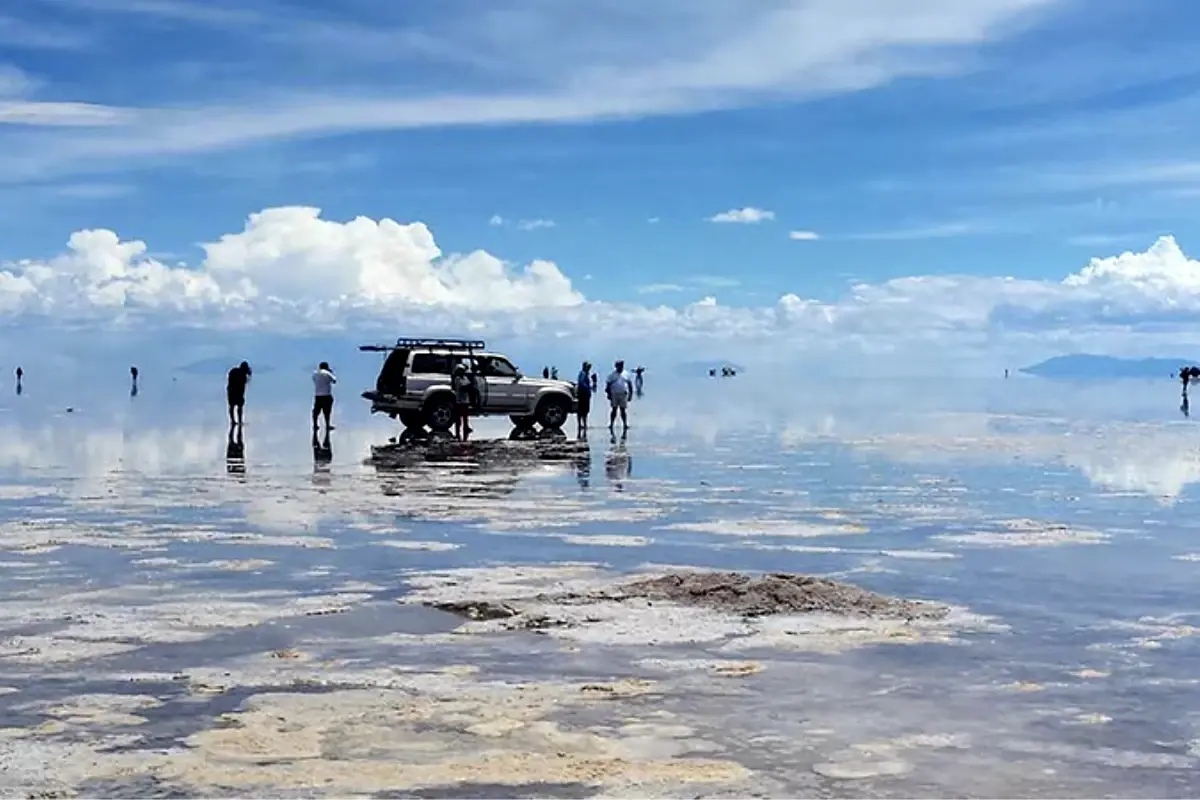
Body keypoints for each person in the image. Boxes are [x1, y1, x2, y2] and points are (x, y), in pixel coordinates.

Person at [605, 359, 631, 433]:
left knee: (623, 410)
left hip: (623, 394)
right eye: (619, 366)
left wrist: (630, 395)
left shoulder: (626, 374)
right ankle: (611, 424)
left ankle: (625, 424)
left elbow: (629, 385)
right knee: (614, 410)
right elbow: (608, 385)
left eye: (621, 365)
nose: (620, 367)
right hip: (614, 394)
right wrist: (609, 394)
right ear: (616, 366)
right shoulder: (612, 375)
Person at [312, 361, 337, 432]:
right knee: (327, 412)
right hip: (327, 395)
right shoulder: (328, 373)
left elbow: (314, 380)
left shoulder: (315, 374)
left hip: (318, 395)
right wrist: (331, 372)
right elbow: (334, 381)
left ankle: (315, 425)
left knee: (316, 411)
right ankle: (327, 425)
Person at [451, 362, 473, 441]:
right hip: (459, 400)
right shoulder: (457, 379)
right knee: (458, 418)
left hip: (465, 400)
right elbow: (463, 388)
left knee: (465, 417)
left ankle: (465, 428)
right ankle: (458, 433)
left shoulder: (464, 377)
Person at [227, 361, 251, 425]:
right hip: (238, 393)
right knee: (239, 407)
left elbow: (229, 381)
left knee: (232, 406)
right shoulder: (243, 374)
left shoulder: (233, 371)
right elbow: (243, 385)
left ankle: (233, 421)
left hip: (231, 391)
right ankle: (239, 421)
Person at [576, 360, 593, 437]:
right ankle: (582, 424)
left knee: (583, 410)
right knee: (583, 410)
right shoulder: (583, 374)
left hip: (584, 394)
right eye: (588, 367)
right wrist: (588, 388)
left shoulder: (585, 374)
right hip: (583, 395)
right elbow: (581, 382)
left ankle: (582, 424)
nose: (589, 368)